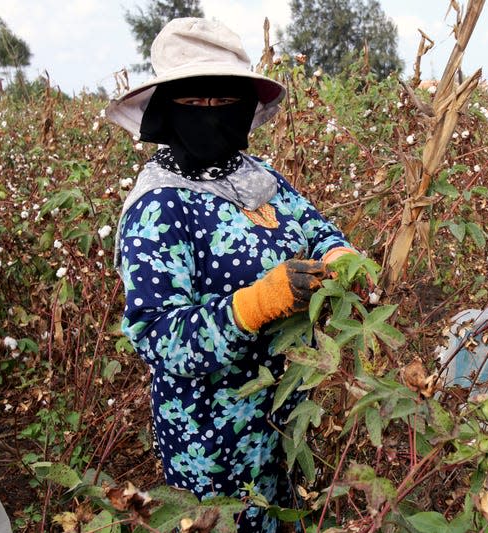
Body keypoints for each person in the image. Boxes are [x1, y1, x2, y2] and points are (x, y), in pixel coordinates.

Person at [106, 17, 357, 532]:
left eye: (224, 103)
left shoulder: (260, 178)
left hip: (284, 410)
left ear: (246, 107)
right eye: (194, 104)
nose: (211, 115)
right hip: (212, 440)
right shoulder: (159, 207)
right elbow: (158, 337)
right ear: (165, 112)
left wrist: (339, 257)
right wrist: (255, 303)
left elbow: (317, 227)